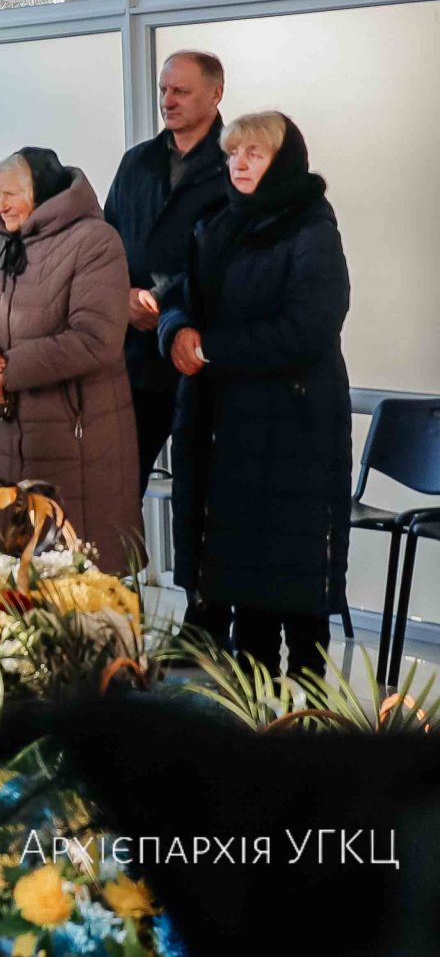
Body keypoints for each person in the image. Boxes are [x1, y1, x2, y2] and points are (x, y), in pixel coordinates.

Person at [158, 112, 351, 680]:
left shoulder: (311, 226)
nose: (239, 164)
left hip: (293, 428)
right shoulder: (216, 222)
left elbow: (311, 326)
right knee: (240, 584)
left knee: (293, 594)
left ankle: (309, 734)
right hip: (226, 430)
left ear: (283, 161)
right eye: (233, 152)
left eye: (255, 154)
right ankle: (248, 723)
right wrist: (177, 332)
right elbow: (179, 298)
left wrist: (212, 348)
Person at [0, 148, 140, 568]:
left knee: (75, 575)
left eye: (11, 195)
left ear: (43, 195)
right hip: (2, 433)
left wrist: (8, 368)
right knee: (8, 572)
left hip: (78, 437)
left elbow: (97, 338)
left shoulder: (94, 241)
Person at [106, 51, 231, 491]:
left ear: (216, 94)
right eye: (163, 89)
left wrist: (163, 303)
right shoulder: (137, 163)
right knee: (118, 488)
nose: (168, 100)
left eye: (181, 91)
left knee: (204, 492)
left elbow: (228, 258)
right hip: (136, 356)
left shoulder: (234, 168)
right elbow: (106, 243)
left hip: (200, 352)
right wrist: (121, 298)